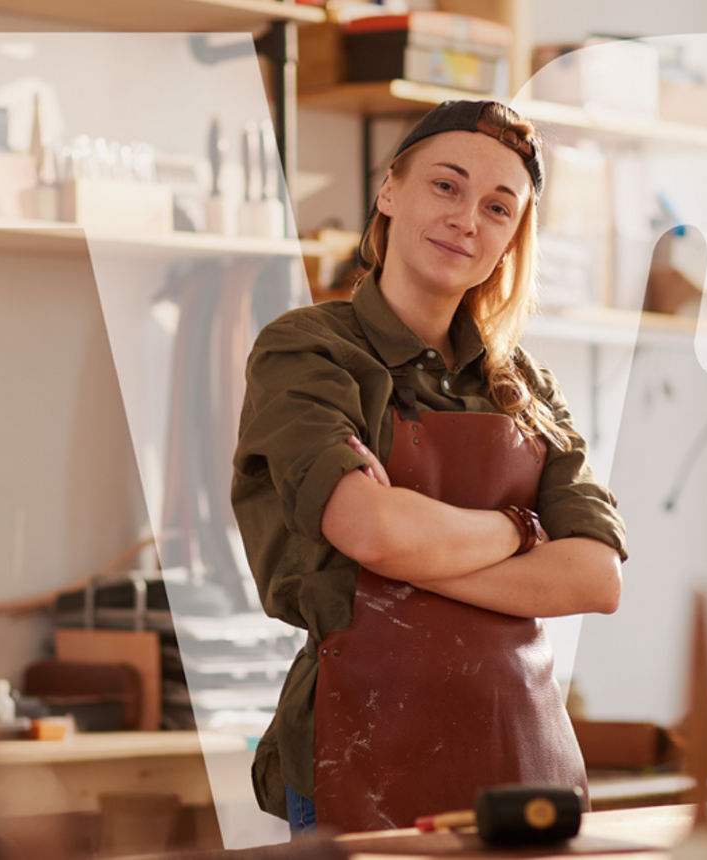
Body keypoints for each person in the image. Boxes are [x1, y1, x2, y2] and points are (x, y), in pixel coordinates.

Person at [231, 99, 628, 835]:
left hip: (523, 753)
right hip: (361, 750)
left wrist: (409, 555)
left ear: (511, 240)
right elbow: (371, 527)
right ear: (390, 191)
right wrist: (522, 526)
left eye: (498, 208)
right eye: (446, 186)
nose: (467, 219)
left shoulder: (528, 388)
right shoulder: (308, 352)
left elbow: (596, 577)